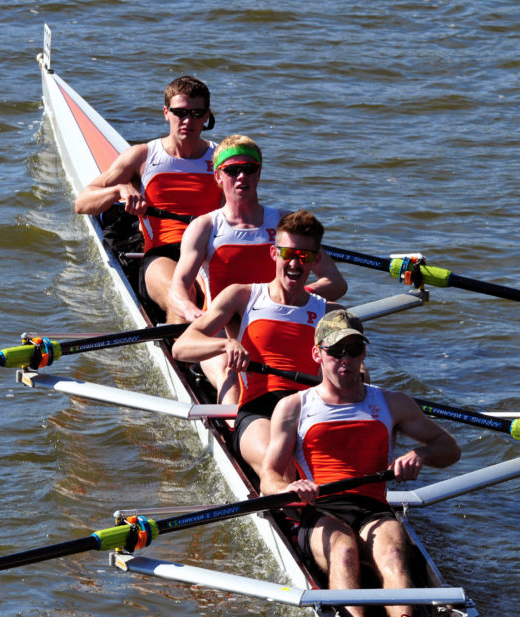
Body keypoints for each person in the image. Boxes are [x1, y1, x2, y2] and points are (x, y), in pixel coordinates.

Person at [260, 309, 462, 617]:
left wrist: (419, 456)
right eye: (336, 350)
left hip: (374, 509)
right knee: (344, 553)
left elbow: (449, 449)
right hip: (323, 508)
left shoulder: (392, 402)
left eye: (353, 350)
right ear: (317, 353)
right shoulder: (294, 407)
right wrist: (291, 488)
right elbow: (268, 478)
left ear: (363, 354)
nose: (345, 359)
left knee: (394, 556)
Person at [169, 135, 347, 402]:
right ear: (218, 176)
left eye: (249, 169)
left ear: (259, 173)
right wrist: (190, 311)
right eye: (232, 170)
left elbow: (336, 282)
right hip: (222, 326)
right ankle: (231, 417)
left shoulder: (287, 225)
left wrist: (283, 297)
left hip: (275, 323)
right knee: (232, 376)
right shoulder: (205, 227)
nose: (241, 176)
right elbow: (179, 286)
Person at [172, 209, 339, 472]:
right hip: (258, 410)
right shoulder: (243, 296)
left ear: (315, 260)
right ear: (274, 254)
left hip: (308, 411)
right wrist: (225, 344)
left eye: (303, 256)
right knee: (283, 467)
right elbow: (181, 347)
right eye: (287, 254)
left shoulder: (329, 313)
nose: (294, 263)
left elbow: (354, 368)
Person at [74, 75, 223, 322]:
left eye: (196, 114)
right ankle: (184, 356)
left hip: (211, 250)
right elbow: (82, 202)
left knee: (225, 301)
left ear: (207, 116)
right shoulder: (143, 156)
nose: (188, 120)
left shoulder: (221, 159)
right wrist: (119, 191)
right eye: (180, 113)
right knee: (184, 294)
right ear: (166, 113)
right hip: (163, 254)